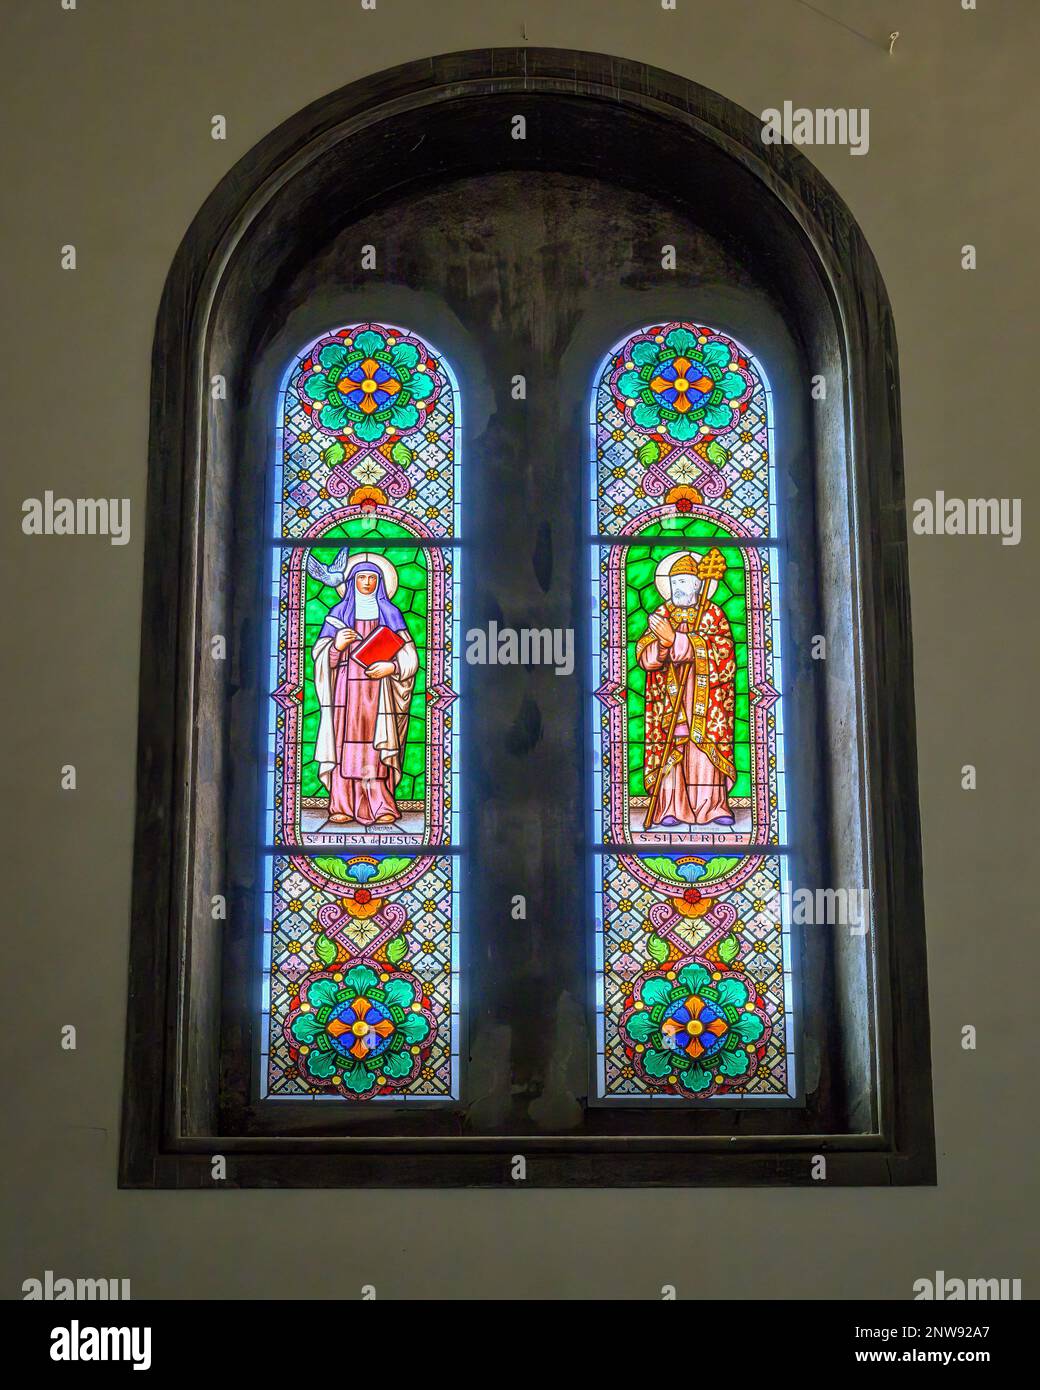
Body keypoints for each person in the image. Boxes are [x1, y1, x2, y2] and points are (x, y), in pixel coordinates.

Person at [311, 553, 418, 826]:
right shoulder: (338, 614)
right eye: (361, 578)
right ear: (351, 581)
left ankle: (380, 804)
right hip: (345, 693)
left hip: (380, 692)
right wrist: (336, 645)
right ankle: (342, 803)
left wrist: (391, 668)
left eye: (372, 578)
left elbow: (409, 656)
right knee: (342, 745)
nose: (367, 583)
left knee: (375, 746)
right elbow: (320, 657)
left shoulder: (391, 613)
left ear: (381, 582)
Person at [637, 550, 736, 829]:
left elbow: (724, 652)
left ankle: (712, 807)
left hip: (705, 699)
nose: (679, 587)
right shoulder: (661, 613)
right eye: (675, 581)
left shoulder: (714, 614)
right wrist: (665, 644)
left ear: (697, 584)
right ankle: (670, 807)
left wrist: (681, 641)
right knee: (671, 747)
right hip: (669, 699)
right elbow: (645, 657)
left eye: (685, 581)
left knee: (703, 747)